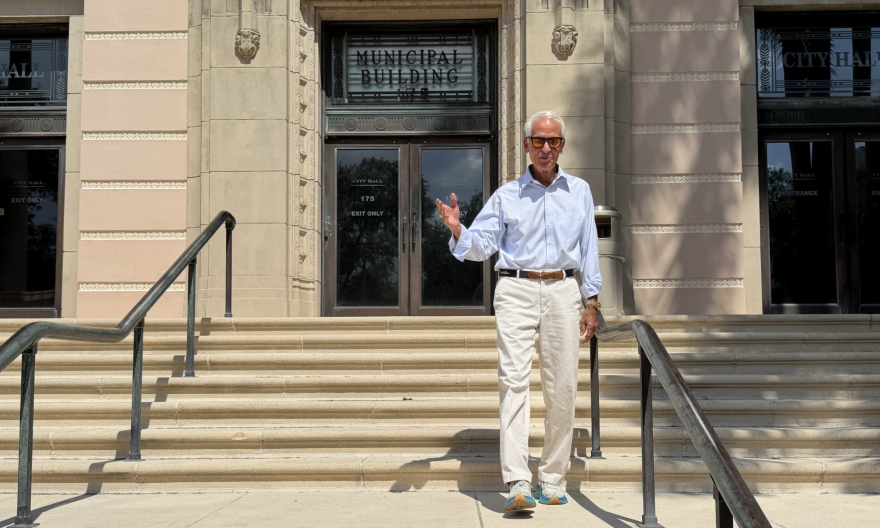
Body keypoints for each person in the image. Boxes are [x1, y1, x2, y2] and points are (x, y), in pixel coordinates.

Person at [435, 110, 602, 511]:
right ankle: (517, 482)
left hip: (564, 289)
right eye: (539, 141)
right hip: (515, 287)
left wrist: (591, 300)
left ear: (562, 146)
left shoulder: (579, 191)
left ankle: (552, 477)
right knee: (513, 382)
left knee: (563, 386)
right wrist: (458, 229)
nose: (547, 148)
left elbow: (589, 249)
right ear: (526, 145)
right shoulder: (507, 195)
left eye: (555, 141)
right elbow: (480, 246)